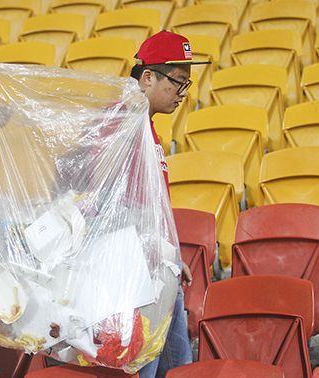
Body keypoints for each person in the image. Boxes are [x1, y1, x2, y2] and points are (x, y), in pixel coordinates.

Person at [130, 30, 210, 378]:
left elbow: (150, 202)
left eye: (187, 84)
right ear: (147, 77)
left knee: (178, 368)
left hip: (159, 267)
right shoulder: (120, 125)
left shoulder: (148, 128)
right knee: (145, 367)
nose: (182, 94)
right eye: (178, 82)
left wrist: (170, 253)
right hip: (135, 274)